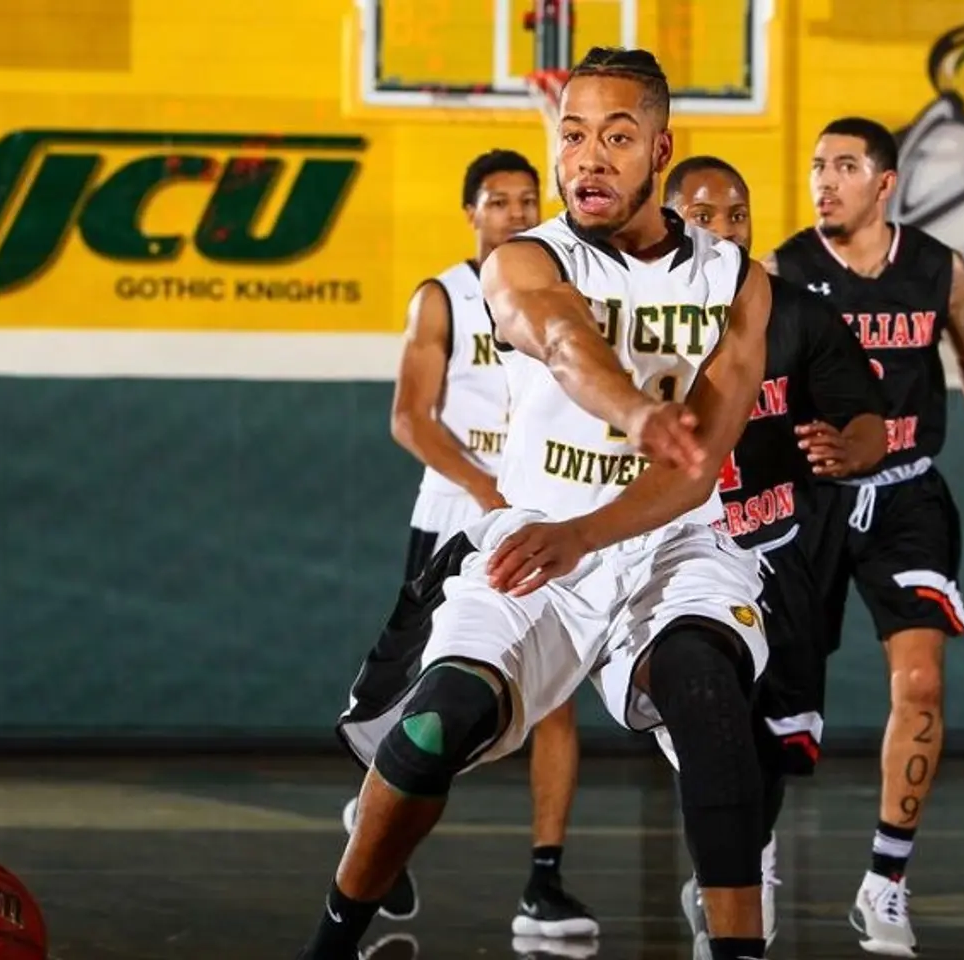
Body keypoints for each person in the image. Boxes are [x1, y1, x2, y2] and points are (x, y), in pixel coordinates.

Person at [304, 46, 774, 960]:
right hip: (534, 533)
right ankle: (328, 944)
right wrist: (634, 409)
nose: (588, 157)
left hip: (670, 542)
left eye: (616, 136)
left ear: (660, 150)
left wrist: (590, 529)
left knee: (711, 703)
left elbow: (696, 467)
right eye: (573, 135)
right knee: (435, 724)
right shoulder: (520, 262)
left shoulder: (737, 283)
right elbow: (559, 338)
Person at [767, 116, 964, 957]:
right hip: (808, 501)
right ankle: (749, 865)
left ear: (885, 184)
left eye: (843, 167)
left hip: (908, 496)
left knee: (920, 685)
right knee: (774, 702)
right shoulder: (783, 271)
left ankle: (885, 881)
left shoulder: (935, 268)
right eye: (816, 166)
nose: (824, 181)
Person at [340, 148, 598, 936]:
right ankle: (379, 834)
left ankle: (543, 883)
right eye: (498, 200)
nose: (516, 213)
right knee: (428, 703)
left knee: (552, 705)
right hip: (457, 519)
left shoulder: (564, 291)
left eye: (528, 200)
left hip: (540, 517)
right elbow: (410, 419)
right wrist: (489, 491)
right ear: (470, 213)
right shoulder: (442, 297)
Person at [663, 155, 887, 954]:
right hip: (684, 555)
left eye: (737, 215)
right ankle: (733, 882)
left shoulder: (796, 313)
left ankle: (744, 854)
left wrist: (851, 450)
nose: (723, 230)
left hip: (784, 552)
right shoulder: (641, 312)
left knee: (775, 745)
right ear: (667, 222)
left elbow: (867, 415)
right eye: (702, 215)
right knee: (715, 724)